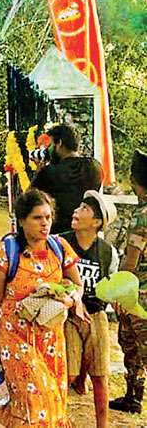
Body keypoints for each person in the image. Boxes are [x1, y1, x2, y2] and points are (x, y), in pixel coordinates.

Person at [0, 189, 85, 427]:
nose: (45, 223)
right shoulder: (5, 253)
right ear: (22, 221)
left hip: (51, 341)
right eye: (37, 218)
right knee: (33, 402)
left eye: (48, 217)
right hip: (15, 340)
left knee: (53, 403)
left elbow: (77, 286)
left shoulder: (59, 248)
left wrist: (69, 300)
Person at [61, 191, 118, 428]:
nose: (76, 211)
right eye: (79, 206)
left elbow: (112, 284)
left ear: (96, 223)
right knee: (67, 373)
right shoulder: (61, 243)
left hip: (96, 315)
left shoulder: (107, 252)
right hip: (68, 315)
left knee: (100, 375)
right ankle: (59, 419)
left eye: (84, 209)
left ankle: (102, 425)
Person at [110, 150, 147, 415]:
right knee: (133, 346)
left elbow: (131, 261)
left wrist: (120, 294)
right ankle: (133, 399)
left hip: (140, 294)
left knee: (136, 346)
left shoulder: (142, 216)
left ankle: (135, 396)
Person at [31, 123, 103, 234]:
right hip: (85, 234)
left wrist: (38, 172)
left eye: (50, 145)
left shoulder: (49, 172)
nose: (48, 150)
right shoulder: (94, 167)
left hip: (56, 238)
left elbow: (28, 201)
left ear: (59, 143)